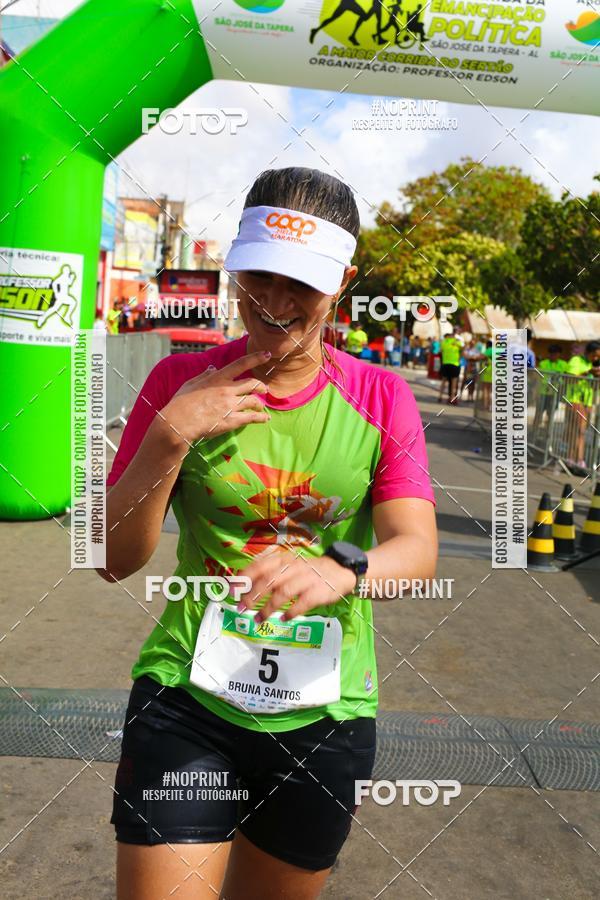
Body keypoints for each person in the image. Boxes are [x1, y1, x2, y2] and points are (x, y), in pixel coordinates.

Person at [99, 167, 437, 900]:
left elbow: (416, 551)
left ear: (341, 283)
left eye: (302, 286)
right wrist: (170, 436)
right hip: (189, 698)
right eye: (259, 278)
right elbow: (111, 562)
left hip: (326, 716)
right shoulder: (178, 385)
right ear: (234, 265)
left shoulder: (381, 396)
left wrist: (341, 570)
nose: (276, 304)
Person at [564, 340, 600, 467]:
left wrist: (596, 378)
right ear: (588, 352)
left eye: (598, 356)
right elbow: (568, 379)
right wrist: (588, 373)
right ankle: (576, 459)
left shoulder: (594, 364)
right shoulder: (576, 361)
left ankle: (574, 459)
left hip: (587, 402)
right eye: (594, 355)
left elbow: (595, 387)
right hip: (575, 400)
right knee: (578, 431)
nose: (596, 358)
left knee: (579, 431)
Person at [533, 344, 567, 434]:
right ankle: (534, 433)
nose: (553, 355)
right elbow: (539, 378)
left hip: (554, 395)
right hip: (542, 393)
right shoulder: (543, 363)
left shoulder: (563, 364)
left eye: (555, 353)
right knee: (538, 414)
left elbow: (565, 378)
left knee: (550, 415)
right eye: (551, 353)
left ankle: (547, 434)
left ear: (559, 354)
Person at [438, 328, 463, 404]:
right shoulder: (457, 341)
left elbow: (440, 351)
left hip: (445, 363)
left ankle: (440, 396)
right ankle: (452, 397)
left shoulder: (444, 342)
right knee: (454, 382)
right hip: (455, 364)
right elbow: (462, 348)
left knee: (444, 381)